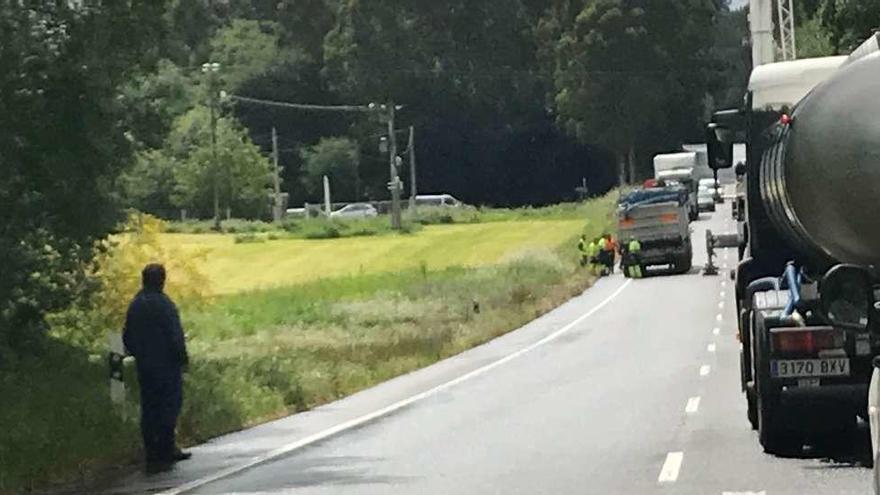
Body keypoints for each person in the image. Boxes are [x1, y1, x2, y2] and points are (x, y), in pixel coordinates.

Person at [123, 264, 191, 474]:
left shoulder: (135, 305)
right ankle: (166, 448)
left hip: (145, 366)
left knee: (150, 407)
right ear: (161, 280)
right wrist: (182, 358)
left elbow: (126, 336)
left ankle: (151, 451)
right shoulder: (164, 304)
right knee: (169, 406)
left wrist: (139, 354)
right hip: (167, 364)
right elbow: (174, 335)